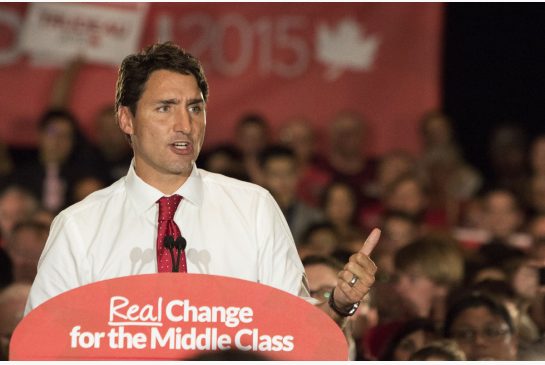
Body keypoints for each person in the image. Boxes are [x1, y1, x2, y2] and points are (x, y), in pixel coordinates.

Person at [25, 42, 380, 326]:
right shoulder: (79, 226)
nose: (184, 124)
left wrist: (340, 304)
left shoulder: (253, 207)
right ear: (126, 119)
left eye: (195, 108)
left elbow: (294, 334)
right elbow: (42, 345)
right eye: (165, 108)